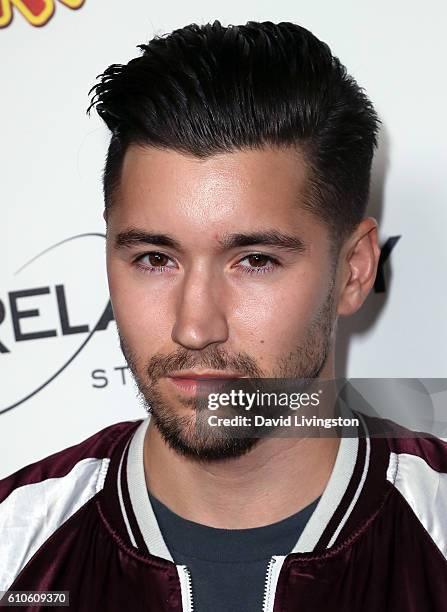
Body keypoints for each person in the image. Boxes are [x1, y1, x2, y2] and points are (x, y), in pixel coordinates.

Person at [1, 19, 446, 612]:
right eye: (155, 258)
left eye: (255, 260)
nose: (195, 327)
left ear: (355, 270)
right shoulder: (16, 540)